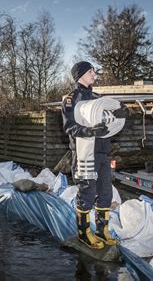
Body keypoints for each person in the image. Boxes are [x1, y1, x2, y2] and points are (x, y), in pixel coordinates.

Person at [62, 61, 127, 249]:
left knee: (106, 193)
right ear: (80, 75)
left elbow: (110, 122)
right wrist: (90, 131)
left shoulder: (99, 98)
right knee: (87, 194)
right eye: (91, 71)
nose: (95, 74)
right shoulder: (71, 99)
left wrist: (122, 116)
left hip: (101, 153)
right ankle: (83, 233)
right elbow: (69, 126)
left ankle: (102, 231)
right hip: (84, 155)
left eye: (94, 71)